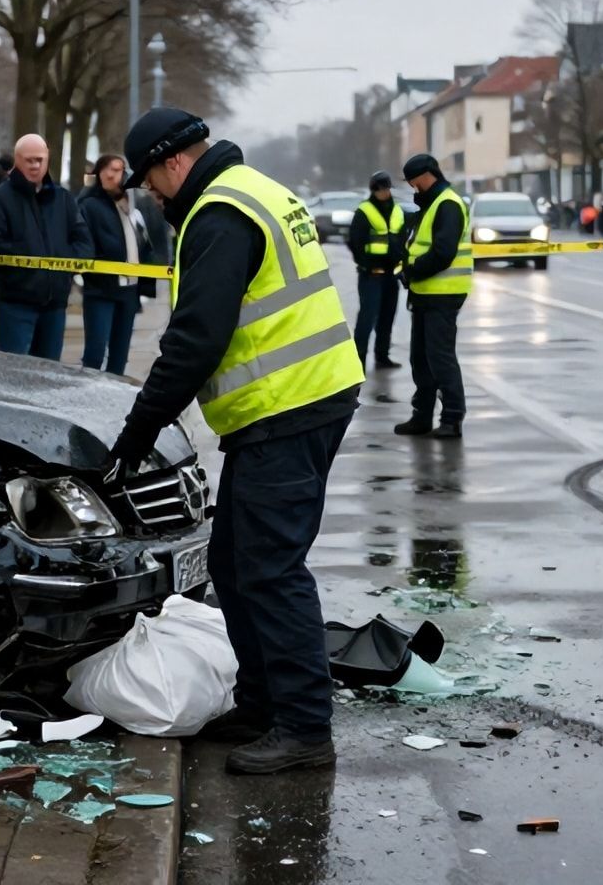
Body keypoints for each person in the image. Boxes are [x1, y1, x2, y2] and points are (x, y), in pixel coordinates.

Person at [105, 107, 362, 776]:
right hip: (297, 400)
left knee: (269, 568)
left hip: (291, 404)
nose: (153, 196)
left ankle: (305, 726)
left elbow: (195, 339)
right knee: (234, 560)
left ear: (172, 163)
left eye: (150, 182)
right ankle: (260, 704)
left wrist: (139, 431)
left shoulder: (218, 213)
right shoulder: (253, 189)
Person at [0, 134, 90, 361]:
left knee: (49, 375)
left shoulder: (63, 199)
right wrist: (27, 271)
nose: (35, 165)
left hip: (55, 304)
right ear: (17, 160)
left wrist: (63, 268)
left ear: (47, 160)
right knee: (14, 373)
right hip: (17, 303)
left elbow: (83, 241)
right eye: (29, 160)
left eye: (40, 159)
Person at [395, 154, 472, 439]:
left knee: (440, 359)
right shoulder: (430, 204)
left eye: (414, 181)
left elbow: (443, 253)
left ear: (426, 175)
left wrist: (412, 271)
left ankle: (452, 418)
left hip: (443, 293)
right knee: (421, 359)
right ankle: (422, 416)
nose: (413, 187)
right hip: (425, 293)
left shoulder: (447, 204)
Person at [79, 154, 146, 376]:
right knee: (95, 354)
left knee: (120, 356)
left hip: (129, 289)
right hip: (101, 288)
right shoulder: (89, 205)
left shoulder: (132, 207)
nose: (111, 174)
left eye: (117, 169)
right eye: (107, 169)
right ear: (98, 173)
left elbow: (142, 244)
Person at [347, 171, 406, 371]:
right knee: (367, 317)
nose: (384, 193)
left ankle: (382, 355)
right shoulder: (364, 211)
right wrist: (366, 264)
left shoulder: (397, 210)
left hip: (391, 274)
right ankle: (359, 360)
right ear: (374, 190)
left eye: (387, 189)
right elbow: (355, 242)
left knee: (387, 317)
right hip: (371, 275)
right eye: (381, 189)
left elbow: (402, 238)